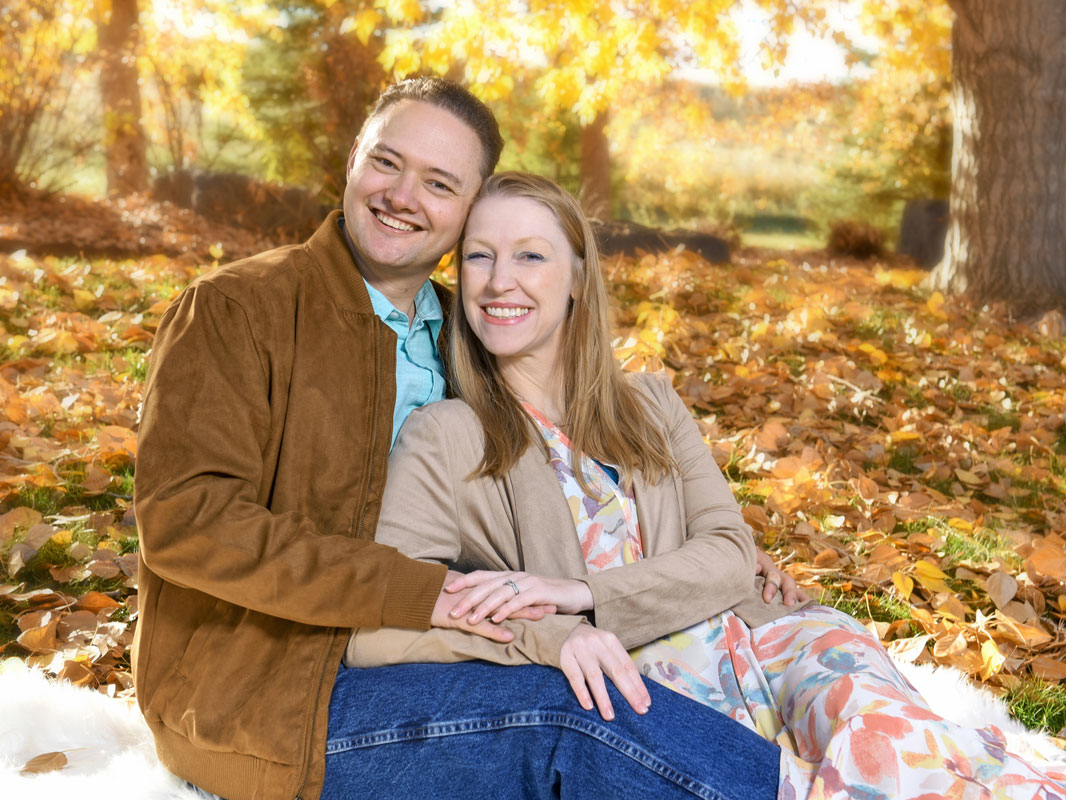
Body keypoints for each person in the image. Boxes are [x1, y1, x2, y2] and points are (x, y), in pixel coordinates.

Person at [133, 77, 800, 800]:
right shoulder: (237, 309)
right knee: (572, 716)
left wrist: (712, 551)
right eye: (386, 162)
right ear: (353, 160)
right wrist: (427, 594)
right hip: (273, 692)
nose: (401, 196)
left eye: (439, 183)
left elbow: (562, 467)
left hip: (452, 646)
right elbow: (186, 522)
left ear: (469, 212)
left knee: (620, 697)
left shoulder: (477, 333)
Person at [349, 172, 1066, 800]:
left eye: (530, 256)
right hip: (655, 692)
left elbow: (729, 552)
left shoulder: (650, 401)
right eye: (479, 257)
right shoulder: (446, 435)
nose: (499, 282)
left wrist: (578, 592)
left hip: (769, 637)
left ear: (578, 277)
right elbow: (380, 627)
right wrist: (551, 633)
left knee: (893, 739)